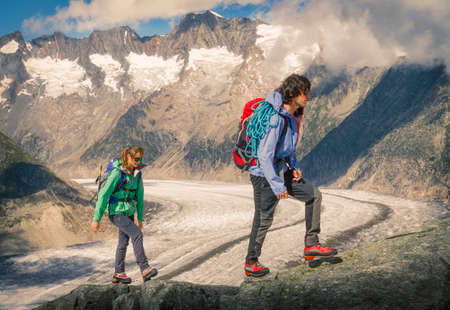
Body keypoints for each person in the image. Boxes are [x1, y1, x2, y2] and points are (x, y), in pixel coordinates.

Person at [244, 74, 337, 277]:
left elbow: (287, 149)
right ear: (293, 93)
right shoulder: (277, 119)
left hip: (281, 170)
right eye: (305, 92)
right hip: (264, 175)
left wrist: (294, 167)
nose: (308, 97)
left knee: (313, 195)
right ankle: (251, 262)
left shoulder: (293, 116)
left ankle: (311, 245)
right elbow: (264, 156)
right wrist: (277, 186)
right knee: (263, 219)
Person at [91, 146, 158, 283]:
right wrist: (96, 219)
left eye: (140, 159)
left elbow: (139, 197)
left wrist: (140, 218)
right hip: (116, 212)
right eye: (136, 159)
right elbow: (103, 195)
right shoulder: (117, 174)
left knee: (123, 242)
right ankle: (144, 269)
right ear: (128, 157)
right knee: (137, 234)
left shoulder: (137, 175)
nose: (138, 161)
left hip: (128, 212)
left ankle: (118, 273)